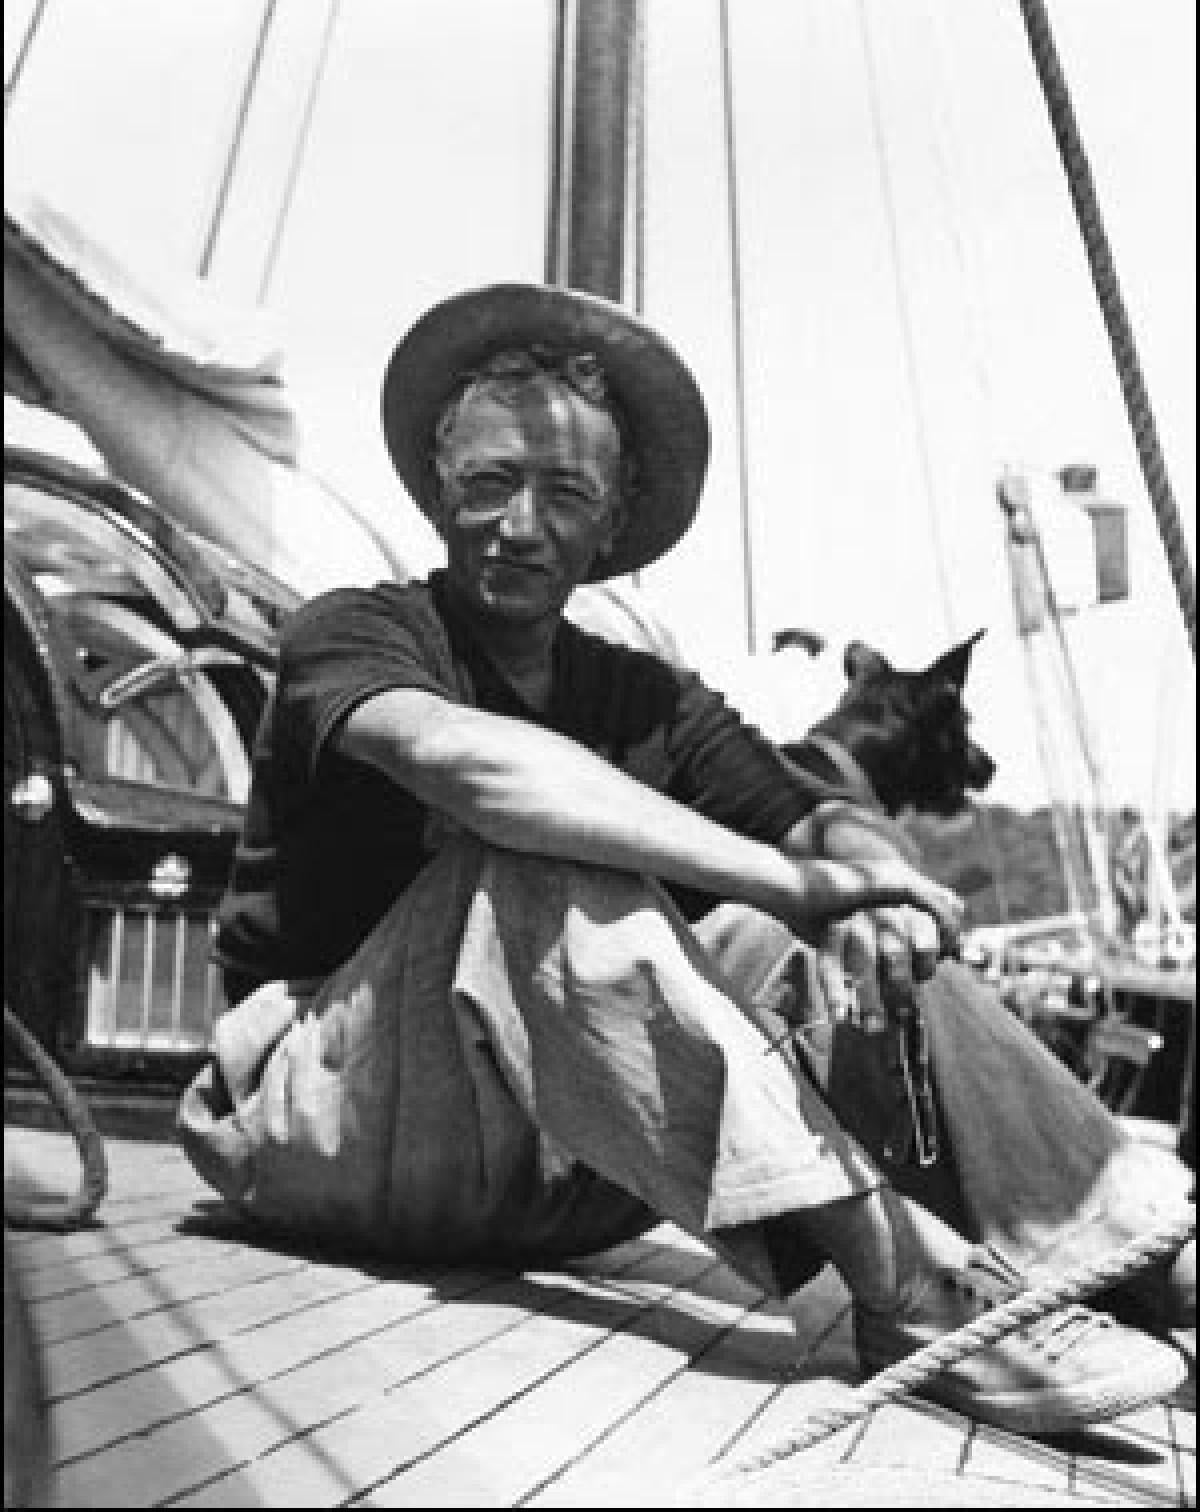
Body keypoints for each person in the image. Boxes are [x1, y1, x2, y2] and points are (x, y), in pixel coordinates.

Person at [178, 282, 1193, 1438]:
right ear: (440, 485)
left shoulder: (644, 695)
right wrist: (795, 882)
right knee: (532, 861)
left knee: (812, 932)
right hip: (322, 1125)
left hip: (559, 1170)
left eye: (565, 493)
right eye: (490, 480)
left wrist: (878, 886)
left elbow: (812, 815)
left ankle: (1137, 1246)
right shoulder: (356, 631)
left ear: (611, 523)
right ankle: (913, 1286)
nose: (519, 523)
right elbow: (471, 767)